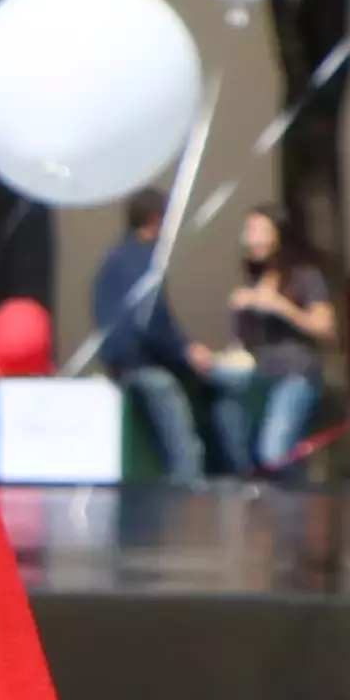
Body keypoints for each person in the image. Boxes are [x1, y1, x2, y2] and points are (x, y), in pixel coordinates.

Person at [86, 193, 204, 483]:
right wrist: (185, 350)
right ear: (155, 221)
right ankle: (190, 486)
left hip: (119, 362)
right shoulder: (145, 259)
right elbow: (151, 318)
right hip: (140, 364)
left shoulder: (114, 256)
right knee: (182, 437)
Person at [216, 207, 343, 478]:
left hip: (295, 374)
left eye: (260, 232)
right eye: (249, 232)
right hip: (259, 373)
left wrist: (280, 306)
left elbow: (325, 326)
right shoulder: (253, 279)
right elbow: (243, 341)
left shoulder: (304, 276)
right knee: (226, 413)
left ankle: (292, 506)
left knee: (274, 452)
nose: (252, 239)